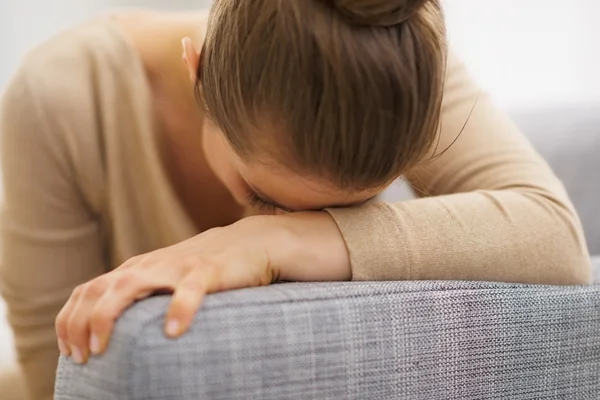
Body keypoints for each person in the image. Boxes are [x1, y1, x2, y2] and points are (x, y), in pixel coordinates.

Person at [0, 0, 592, 398]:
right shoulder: (61, 101)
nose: (299, 228)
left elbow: (556, 240)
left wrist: (271, 238)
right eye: (261, 195)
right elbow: (55, 380)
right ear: (197, 71)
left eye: (346, 208)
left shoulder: (391, 62)